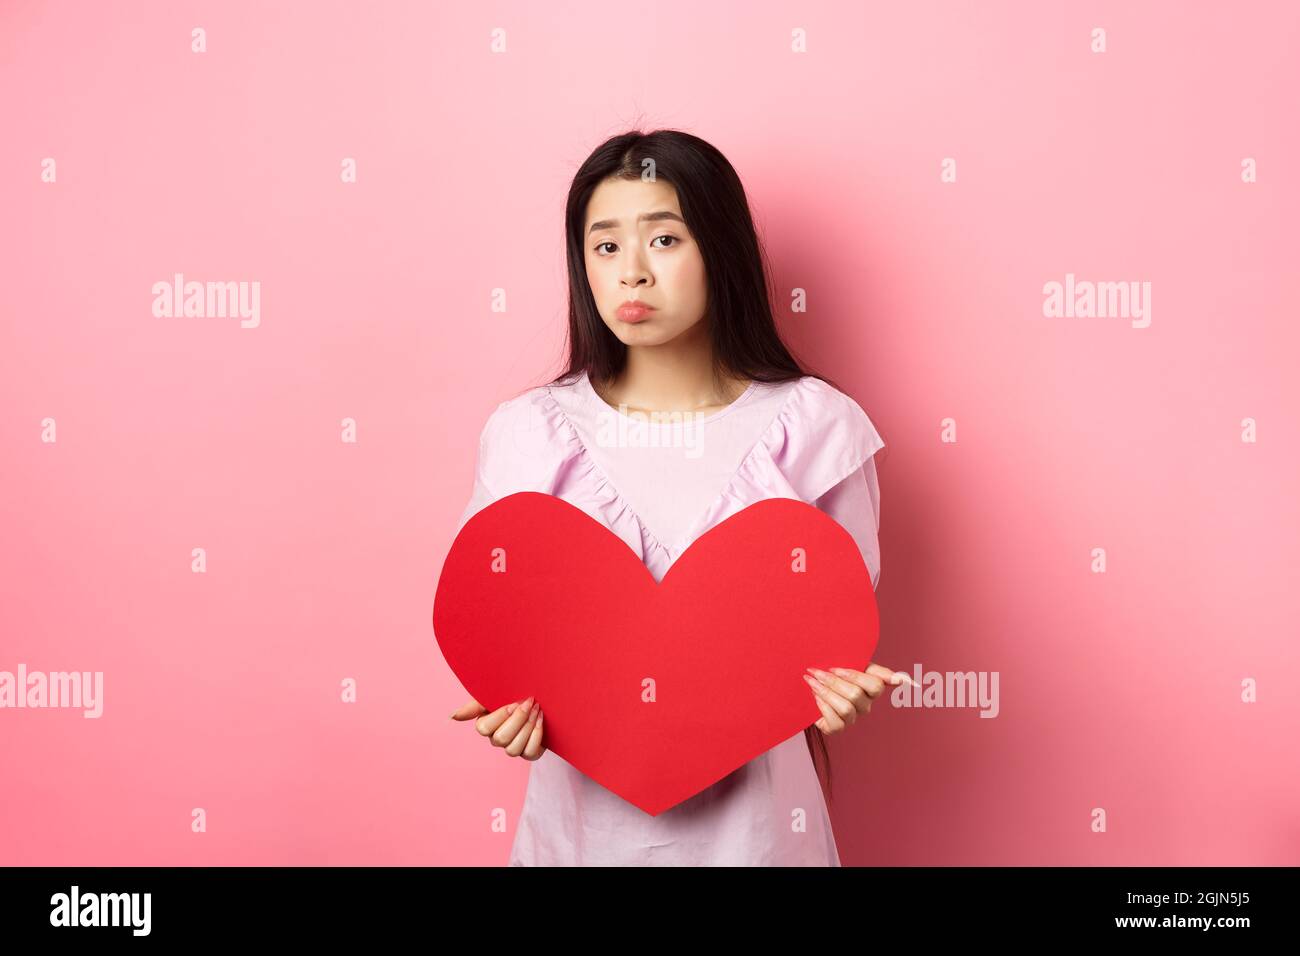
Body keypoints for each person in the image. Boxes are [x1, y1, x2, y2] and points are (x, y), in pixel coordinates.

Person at [447, 128, 908, 865]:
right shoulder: (528, 434)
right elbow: (496, 629)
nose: (632, 273)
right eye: (606, 247)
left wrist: (835, 691)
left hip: (760, 841)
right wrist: (511, 707)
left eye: (663, 240)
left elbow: (835, 635)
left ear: (720, 250)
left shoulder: (817, 429)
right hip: (579, 839)